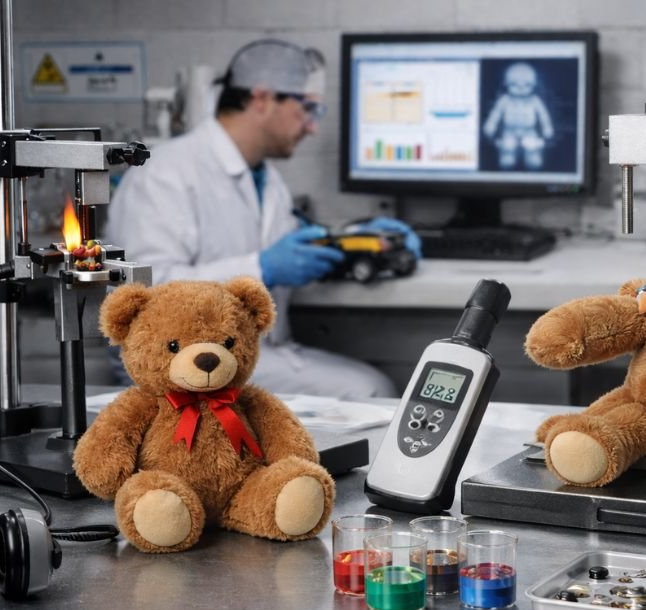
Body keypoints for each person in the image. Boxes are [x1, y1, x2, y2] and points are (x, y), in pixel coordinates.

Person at [107, 39, 420, 399]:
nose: (313, 127)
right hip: (182, 363)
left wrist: (356, 239)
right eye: (308, 109)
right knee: (371, 394)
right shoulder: (165, 173)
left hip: (250, 354)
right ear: (262, 99)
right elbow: (148, 293)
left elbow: (291, 243)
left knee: (374, 387)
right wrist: (262, 268)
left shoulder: (266, 178)